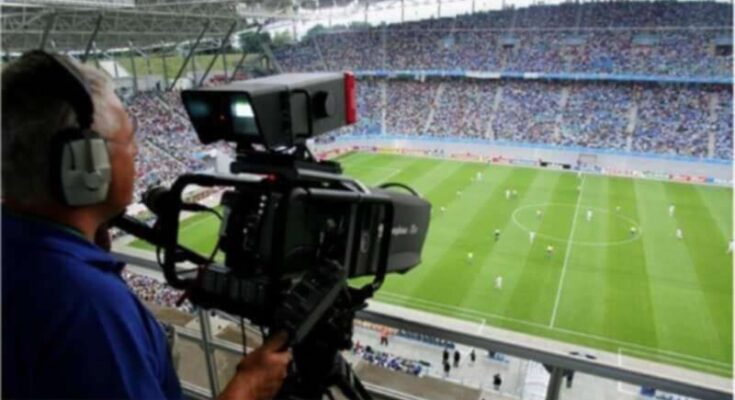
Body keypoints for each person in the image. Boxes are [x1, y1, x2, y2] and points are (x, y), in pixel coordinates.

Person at [2, 51, 292, 399]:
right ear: (86, 165)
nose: (137, 151)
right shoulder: (89, 305)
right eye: (129, 137)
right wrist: (248, 388)